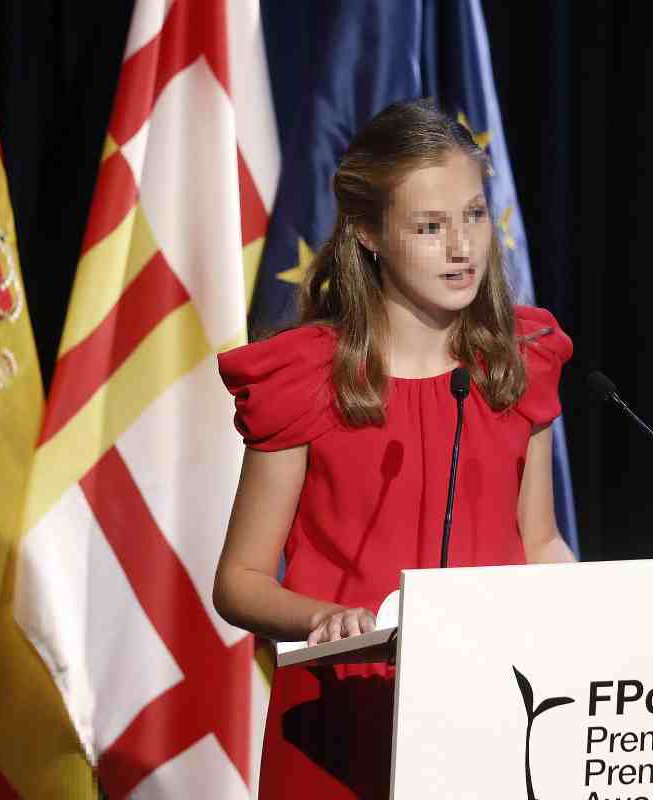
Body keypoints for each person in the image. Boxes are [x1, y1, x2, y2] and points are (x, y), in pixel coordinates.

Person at [214, 97, 576, 799]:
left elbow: (539, 541)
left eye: (474, 214)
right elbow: (240, 579)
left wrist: (601, 617)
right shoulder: (306, 377)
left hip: (491, 709)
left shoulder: (519, 362)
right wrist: (321, 618)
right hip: (344, 715)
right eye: (430, 227)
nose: (463, 247)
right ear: (369, 233)